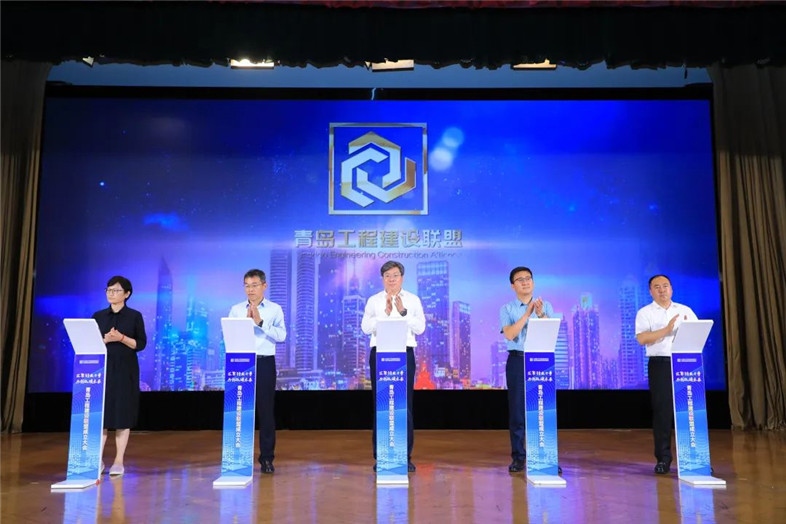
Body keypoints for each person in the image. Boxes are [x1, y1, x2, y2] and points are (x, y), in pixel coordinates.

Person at [361, 260, 425, 472]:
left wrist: (403, 312)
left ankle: (405, 456)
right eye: (387, 276)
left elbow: (420, 328)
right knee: (381, 404)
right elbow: (365, 327)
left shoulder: (413, 300)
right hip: (380, 353)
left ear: (402, 278)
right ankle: (381, 457)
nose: (391, 279)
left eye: (395, 275)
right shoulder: (374, 300)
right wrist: (385, 314)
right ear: (382, 279)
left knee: (404, 405)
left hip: (404, 353)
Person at [635, 274, 698, 475]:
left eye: (665, 286)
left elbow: (698, 332)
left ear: (671, 288)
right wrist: (667, 329)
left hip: (686, 363)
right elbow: (642, 339)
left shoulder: (685, 310)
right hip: (660, 363)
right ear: (650, 291)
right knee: (663, 411)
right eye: (657, 287)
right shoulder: (645, 313)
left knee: (689, 409)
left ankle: (693, 458)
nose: (662, 290)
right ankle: (663, 458)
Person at [228, 269, 286, 474]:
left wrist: (260, 322)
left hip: (264, 362)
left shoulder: (274, 309)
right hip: (240, 363)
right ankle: (238, 457)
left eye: (254, 285)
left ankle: (267, 458)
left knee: (266, 411)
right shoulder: (236, 310)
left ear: (264, 286)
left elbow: (282, 336)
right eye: (247, 285)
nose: (250, 290)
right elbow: (228, 336)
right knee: (239, 410)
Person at [499, 266, 555, 474]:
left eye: (528, 278)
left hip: (541, 361)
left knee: (542, 410)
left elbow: (550, 333)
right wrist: (527, 313)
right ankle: (519, 457)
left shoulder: (545, 306)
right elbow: (510, 334)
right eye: (520, 279)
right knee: (517, 411)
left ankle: (545, 457)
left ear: (533, 282)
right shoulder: (507, 309)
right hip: (517, 360)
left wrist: (540, 315)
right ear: (512, 286)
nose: (525, 282)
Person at [93, 275, 147, 476]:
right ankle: (97, 460)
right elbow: (91, 342)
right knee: (102, 415)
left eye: (116, 290)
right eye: (108, 290)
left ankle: (118, 461)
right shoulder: (98, 316)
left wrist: (121, 338)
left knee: (122, 416)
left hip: (126, 370)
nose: (111, 294)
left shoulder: (134, 316)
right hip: (103, 370)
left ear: (127, 294)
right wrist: (105, 340)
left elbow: (140, 344)